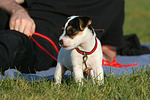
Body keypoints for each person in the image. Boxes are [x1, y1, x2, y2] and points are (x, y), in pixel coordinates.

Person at [0, 0, 125, 74]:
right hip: (14, 20)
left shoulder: (111, 3)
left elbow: (107, 53)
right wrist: (18, 11)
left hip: (38, 42)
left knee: (12, 43)